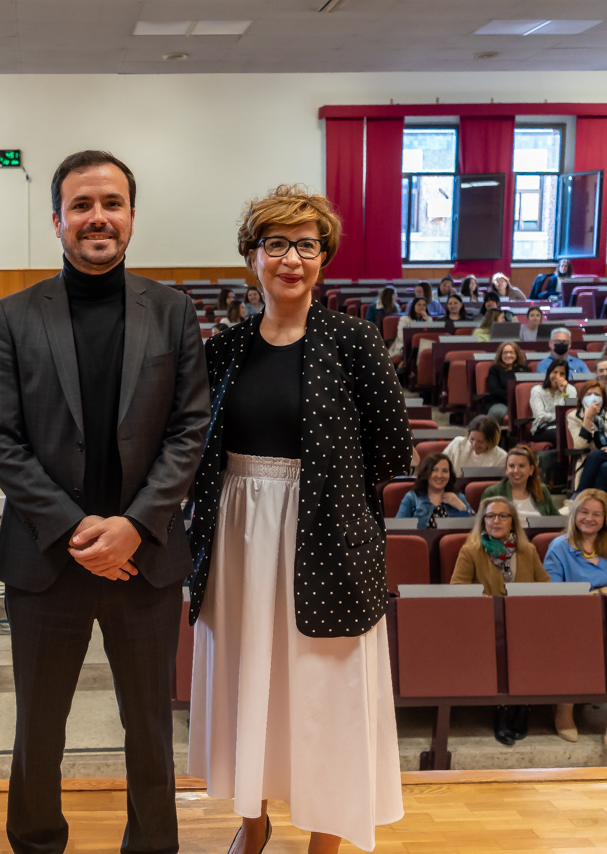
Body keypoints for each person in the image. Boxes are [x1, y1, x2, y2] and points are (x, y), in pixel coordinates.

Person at [0, 150, 208, 854]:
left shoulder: (171, 311)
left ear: (132, 216)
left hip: (146, 561)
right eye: (82, 206)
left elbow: (191, 428)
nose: (97, 217)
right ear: (57, 221)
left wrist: (135, 527)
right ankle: (38, 841)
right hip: (48, 559)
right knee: (39, 728)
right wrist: (79, 529)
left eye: (111, 203)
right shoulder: (14, 317)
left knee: (148, 726)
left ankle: (152, 845)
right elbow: (0, 439)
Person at [187, 184, 409, 854]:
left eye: (306, 245)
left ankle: (327, 837)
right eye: (275, 243)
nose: (291, 258)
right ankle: (253, 822)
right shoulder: (225, 347)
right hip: (236, 533)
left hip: (325, 534)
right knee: (246, 679)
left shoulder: (352, 340)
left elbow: (391, 447)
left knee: (323, 691)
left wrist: (324, 495)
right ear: (251, 256)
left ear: (323, 258)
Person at [543, 490, 607, 750]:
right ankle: (565, 707)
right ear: (575, 514)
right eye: (584, 512)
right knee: (577, 640)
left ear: (606, 518)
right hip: (574, 621)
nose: (590, 518)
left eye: (597, 514)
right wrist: (598, 594)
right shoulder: (559, 547)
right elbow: (553, 594)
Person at [449, 496, 549, 744]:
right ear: (483, 521)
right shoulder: (471, 550)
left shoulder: (528, 550)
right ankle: (501, 710)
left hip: (525, 620)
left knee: (532, 643)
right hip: (486, 622)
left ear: (513, 521)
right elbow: (457, 588)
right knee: (502, 646)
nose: (496, 521)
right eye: (491, 516)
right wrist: (484, 599)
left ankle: (524, 706)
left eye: (503, 516)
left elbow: (545, 586)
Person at [566, 381, 607, 499]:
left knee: (597, 455)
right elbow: (580, 446)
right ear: (581, 398)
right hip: (593, 462)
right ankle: (603, 507)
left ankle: (578, 496)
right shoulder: (573, 416)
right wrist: (587, 418)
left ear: (603, 399)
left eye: (597, 395)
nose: (593, 398)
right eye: (588, 394)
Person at [480, 445, 557, 524]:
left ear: (531, 470)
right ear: (506, 469)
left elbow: (557, 521)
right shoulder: (493, 492)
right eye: (512, 466)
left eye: (521, 466)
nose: (516, 470)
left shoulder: (542, 490)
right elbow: (481, 525)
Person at [397, 453, 472, 529]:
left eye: (445, 471)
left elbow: (475, 528)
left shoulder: (458, 497)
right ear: (426, 473)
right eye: (434, 470)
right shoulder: (411, 498)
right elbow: (397, 528)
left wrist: (462, 507)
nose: (439, 475)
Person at [529, 359, 577, 444]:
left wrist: (564, 393)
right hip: (542, 429)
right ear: (549, 373)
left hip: (565, 427)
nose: (558, 376)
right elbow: (541, 417)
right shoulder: (537, 390)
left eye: (562, 374)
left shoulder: (570, 389)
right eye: (555, 372)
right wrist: (560, 416)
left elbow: (571, 413)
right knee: (560, 434)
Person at [444, 415, 508, 470]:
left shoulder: (501, 457)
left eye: (480, 442)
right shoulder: (458, 444)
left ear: (492, 441)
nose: (474, 445)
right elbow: (440, 465)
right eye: (472, 439)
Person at [484, 342, 526, 423]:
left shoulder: (523, 369)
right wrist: (511, 398)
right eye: (505, 353)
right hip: (499, 402)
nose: (508, 355)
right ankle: (490, 434)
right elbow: (494, 390)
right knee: (497, 412)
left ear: (516, 354)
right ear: (500, 355)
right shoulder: (495, 369)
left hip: (519, 402)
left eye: (511, 352)